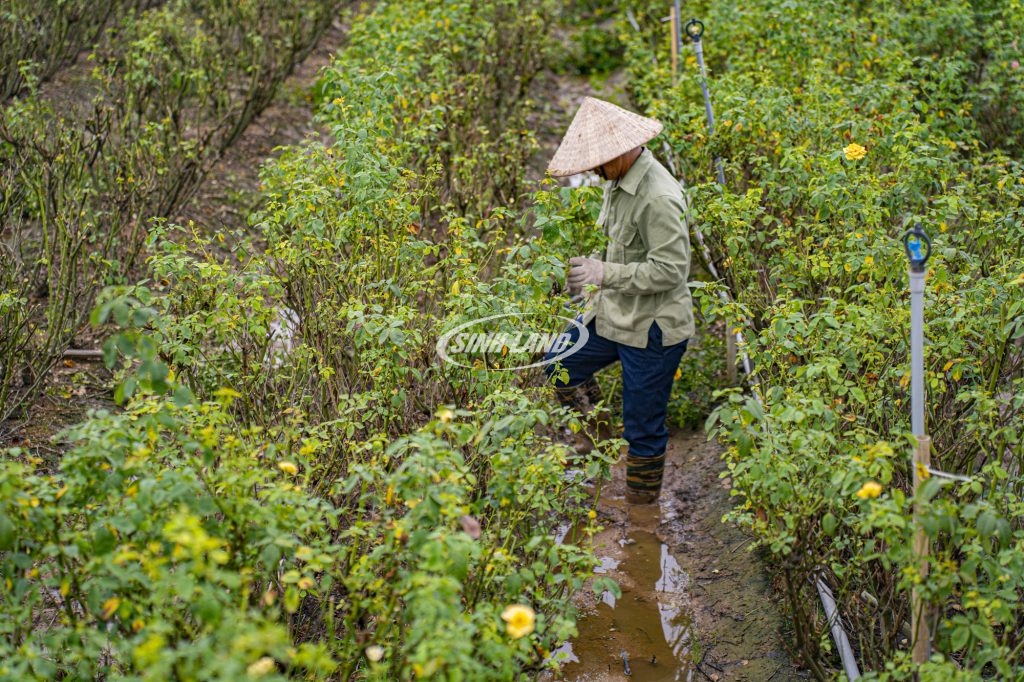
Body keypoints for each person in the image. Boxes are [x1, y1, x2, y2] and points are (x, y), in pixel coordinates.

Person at [544, 97, 694, 505]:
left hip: (653, 328)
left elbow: (670, 271)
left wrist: (604, 272)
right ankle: (601, 442)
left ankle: (642, 521)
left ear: (625, 150)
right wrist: (596, 278)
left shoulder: (658, 197)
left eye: (600, 161)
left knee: (643, 428)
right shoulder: (618, 180)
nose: (594, 170)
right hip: (614, 311)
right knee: (558, 362)